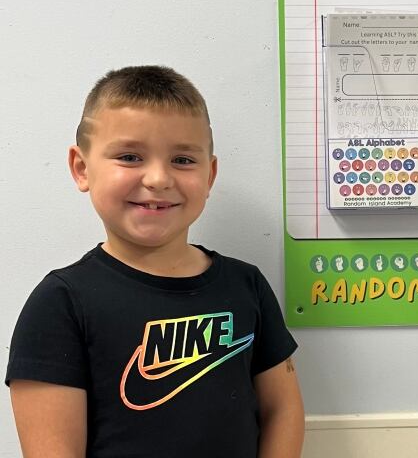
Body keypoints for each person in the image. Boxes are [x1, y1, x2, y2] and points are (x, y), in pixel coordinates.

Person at [5, 66, 304, 458]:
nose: (159, 178)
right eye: (130, 156)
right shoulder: (60, 304)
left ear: (210, 175)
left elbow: (283, 410)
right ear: (82, 168)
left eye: (183, 160)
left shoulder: (246, 285)